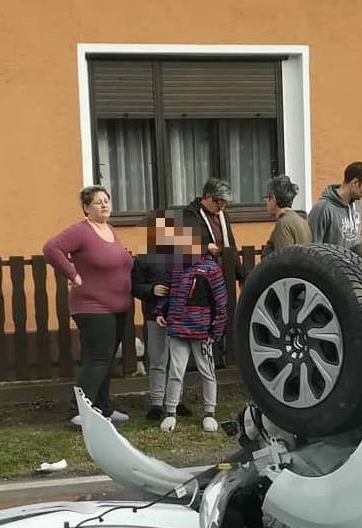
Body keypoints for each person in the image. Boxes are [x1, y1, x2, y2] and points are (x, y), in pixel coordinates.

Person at [42, 185, 134, 425]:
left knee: (107, 359)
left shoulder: (110, 229)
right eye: (97, 202)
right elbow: (51, 248)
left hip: (117, 308)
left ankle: (103, 408)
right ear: (86, 208)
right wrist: (72, 274)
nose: (104, 205)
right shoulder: (81, 231)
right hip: (92, 307)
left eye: (106, 201)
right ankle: (79, 411)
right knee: (98, 359)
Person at [153, 212, 230, 433]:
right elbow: (167, 291)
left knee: (207, 370)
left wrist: (216, 331)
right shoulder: (176, 267)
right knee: (175, 371)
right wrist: (160, 311)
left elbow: (221, 302)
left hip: (202, 331)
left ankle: (209, 412)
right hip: (177, 328)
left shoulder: (210, 269)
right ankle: (170, 412)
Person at [131, 212, 194, 421]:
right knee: (158, 359)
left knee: (178, 360)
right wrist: (151, 289)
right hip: (153, 315)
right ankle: (157, 402)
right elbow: (135, 287)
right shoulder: (143, 259)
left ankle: (175, 400)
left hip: (178, 315)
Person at [310, 161, 362, 249]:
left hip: (353, 262)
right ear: (355, 183)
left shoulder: (358, 205)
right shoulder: (322, 208)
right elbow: (312, 248)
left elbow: (358, 241)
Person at [260, 174, 311, 259]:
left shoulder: (283, 224)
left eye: (267, 198)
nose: (266, 202)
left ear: (273, 199)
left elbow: (283, 262)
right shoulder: (302, 221)